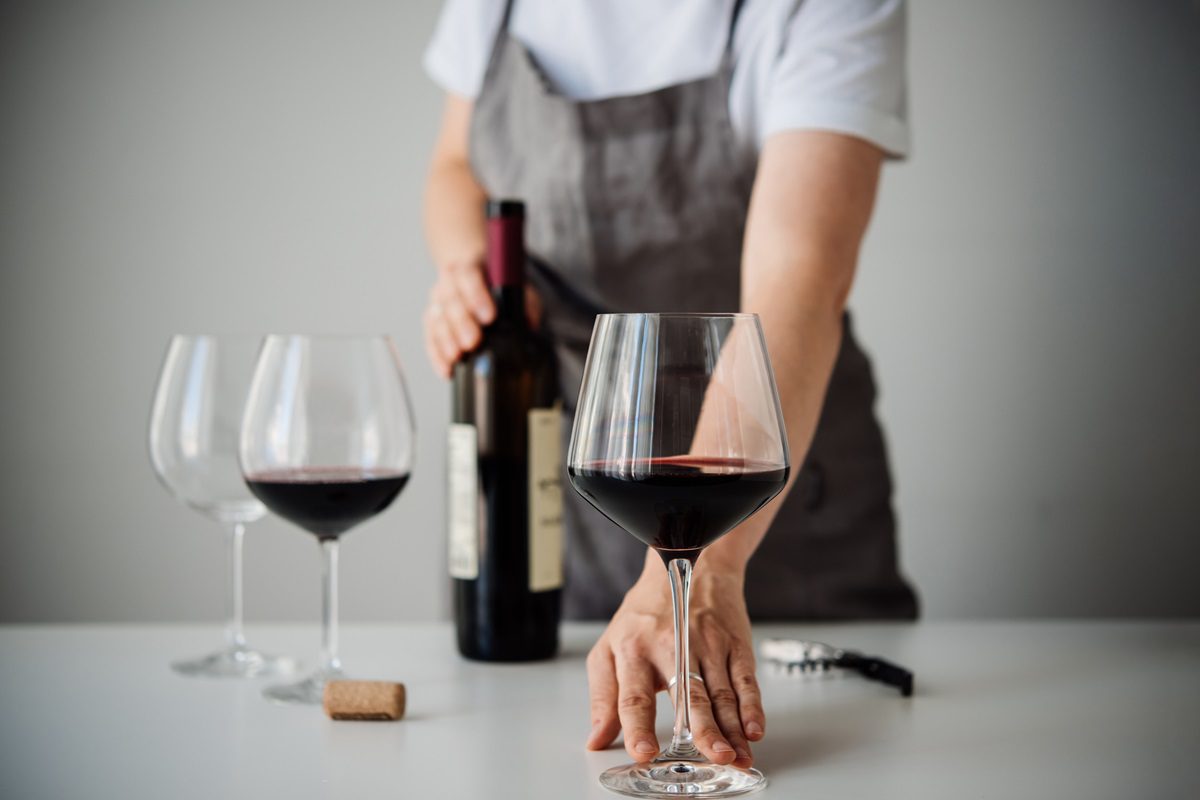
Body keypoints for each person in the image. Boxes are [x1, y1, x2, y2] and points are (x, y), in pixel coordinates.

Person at [421, 0, 918, 771]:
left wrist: (704, 563)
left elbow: (798, 282)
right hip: (586, 497)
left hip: (780, 494)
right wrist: (472, 270)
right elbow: (456, 162)